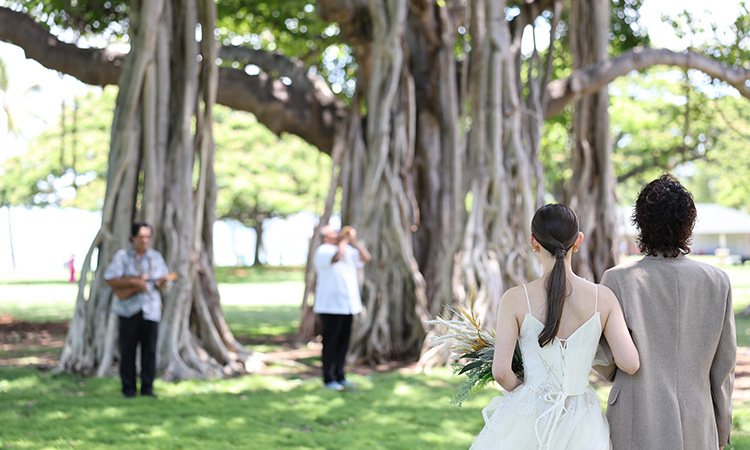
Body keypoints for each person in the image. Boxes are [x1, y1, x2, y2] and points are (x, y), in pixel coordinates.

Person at [470, 203, 639, 450]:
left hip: (530, 414)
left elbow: (501, 372)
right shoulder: (603, 298)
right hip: (584, 422)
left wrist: (525, 391)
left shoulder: (515, 299)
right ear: (578, 241)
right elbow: (630, 363)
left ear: (533, 242)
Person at [595, 174, 736, 450]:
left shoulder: (617, 280)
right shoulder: (718, 282)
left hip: (635, 418)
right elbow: (724, 368)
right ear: (688, 223)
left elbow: (605, 360)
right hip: (698, 422)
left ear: (641, 223)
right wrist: (720, 429)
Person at [104, 222, 170, 398]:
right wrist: (133, 283)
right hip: (128, 309)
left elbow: (161, 282)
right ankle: (128, 389)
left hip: (151, 310)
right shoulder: (123, 256)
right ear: (133, 238)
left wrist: (161, 283)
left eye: (148, 237)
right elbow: (110, 279)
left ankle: (148, 388)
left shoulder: (155, 257)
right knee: (128, 350)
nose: (145, 240)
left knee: (149, 351)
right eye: (142, 237)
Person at [313, 224, 371, 391]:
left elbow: (366, 258)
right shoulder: (323, 250)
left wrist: (355, 242)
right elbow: (337, 257)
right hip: (330, 306)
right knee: (330, 343)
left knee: (343, 344)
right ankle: (328, 378)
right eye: (334, 233)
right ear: (326, 238)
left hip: (348, 305)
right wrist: (344, 242)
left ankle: (340, 374)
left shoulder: (349, 250)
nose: (339, 234)